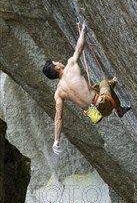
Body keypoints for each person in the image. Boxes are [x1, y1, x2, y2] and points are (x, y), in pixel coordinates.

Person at [42, 22, 131, 154]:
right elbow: (79, 48)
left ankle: (114, 92)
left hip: (96, 115)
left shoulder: (59, 93)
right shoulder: (70, 65)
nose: (58, 61)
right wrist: (83, 31)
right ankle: (119, 109)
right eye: (56, 62)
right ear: (57, 68)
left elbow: (58, 117)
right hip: (105, 103)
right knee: (104, 84)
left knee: (95, 88)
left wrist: (56, 140)